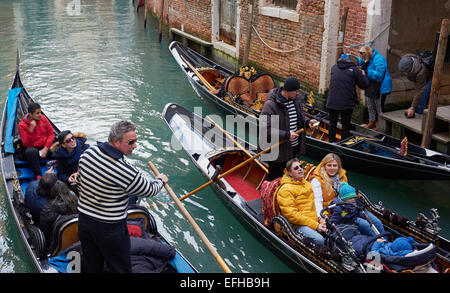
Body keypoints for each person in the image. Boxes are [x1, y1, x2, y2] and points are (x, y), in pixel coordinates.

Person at [77, 120, 168, 273]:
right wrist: (160, 180)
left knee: (92, 264)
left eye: (136, 141)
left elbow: (81, 182)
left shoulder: (88, 153)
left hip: (85, 221)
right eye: (131, 142)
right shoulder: (126, 172)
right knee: (120, 267)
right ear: (115, 141)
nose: (135, 146)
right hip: (110, 228)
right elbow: (148, 190)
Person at [259, 76, 318, 180]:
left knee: (291, 179)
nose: (297, 93)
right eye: (295, 91)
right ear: (287, 91)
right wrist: (286, 135)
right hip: (277, 152)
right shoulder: (270, 105)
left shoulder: (295, 101)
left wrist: (307, 122)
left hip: (293, 149)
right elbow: (265, 130)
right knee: (275, 178)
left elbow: (299, 117)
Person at [276, 158, 327, 245]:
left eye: (301, 166)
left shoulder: (307, 184)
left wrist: (322, 219)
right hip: (299, 225)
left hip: (314, 221)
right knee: (320, 240)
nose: (300, 169)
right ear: (289, 173)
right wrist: (316, 225)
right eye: (296, 168)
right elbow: (292, 216)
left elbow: (317, 204)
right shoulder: (285, 189)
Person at [327, 55, 370, 143]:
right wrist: (363, 75)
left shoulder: (334, 67)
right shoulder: (355, 70)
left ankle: (331, 142)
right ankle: (343, 145)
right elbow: (365, 85)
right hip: (346, 103)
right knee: (345, 125)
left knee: (332, 123)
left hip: (332, 101)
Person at [387, 44, 432, 118]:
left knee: (422, 97)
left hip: (427, 79)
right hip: (417, 78)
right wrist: (390, 49)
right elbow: (400, 53)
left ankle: (420, 115)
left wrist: (412, 108)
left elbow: (419, 91)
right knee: (418, 95)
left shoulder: (421, 73)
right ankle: (415, 109)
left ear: (410, 66)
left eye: (405, 70)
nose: (404, 72)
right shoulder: (407, 57)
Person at [18, 102, 55, 179]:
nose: (40, 115)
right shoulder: (22, 125)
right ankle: (38, 175)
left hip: (43, 149)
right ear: (30, 114)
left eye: (40, 112)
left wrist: (45, 148)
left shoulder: (43, 118)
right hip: (30, 151)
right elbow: (27, 144)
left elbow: (51, 134)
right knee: (31, 151)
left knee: (59, 150)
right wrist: (31, 130)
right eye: (37, 113)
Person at [359, 46, 392, 129]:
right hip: (371, 85)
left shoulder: (379, 59)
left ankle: (381, 126)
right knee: (370, 105)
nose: (363, 59)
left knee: (379, 107)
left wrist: (366, 72)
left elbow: (378, 74)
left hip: (380, 86)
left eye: (364, 57)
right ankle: (372, 122)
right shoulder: (367, 58)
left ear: (368, 53)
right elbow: (360, 61)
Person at [39, 180, 78, 251]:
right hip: (77, 240)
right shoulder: (77, 202)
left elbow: (45, 233)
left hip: (56, 245)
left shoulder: (47, 210)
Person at [309, 153, 348, 218]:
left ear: (339, 167)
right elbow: (317, 202)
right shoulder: (317, 180)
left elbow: (347, 194)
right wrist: (323, 217)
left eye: (335, 165)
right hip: (328, 211)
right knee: (362, 224)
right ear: (324, 166)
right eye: (329, 165)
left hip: (342, 208)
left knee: (363, 214)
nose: (332, 168)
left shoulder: (342, 176)